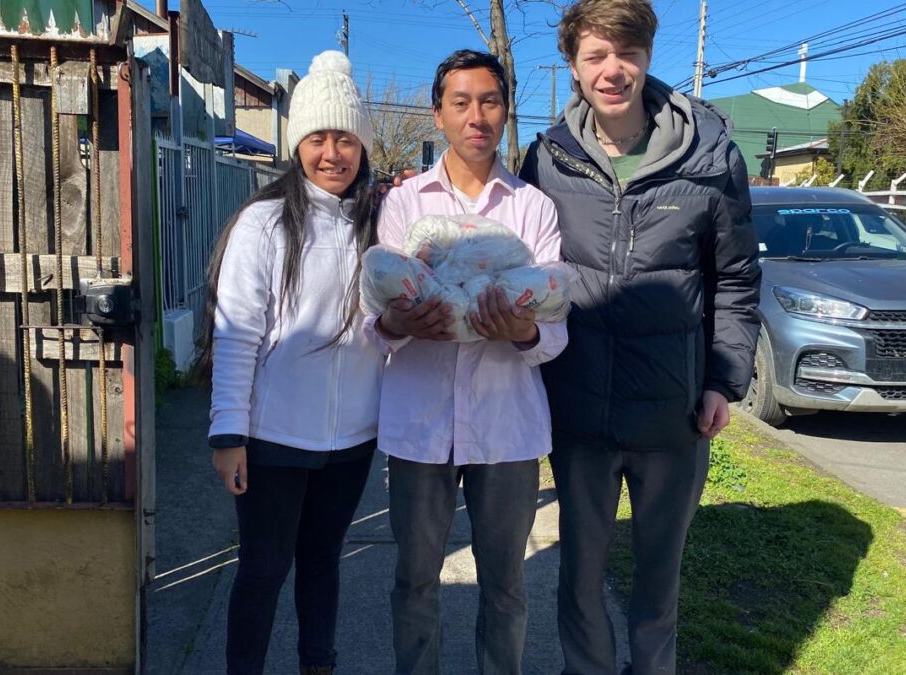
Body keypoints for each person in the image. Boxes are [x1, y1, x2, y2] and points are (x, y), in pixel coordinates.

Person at [518, 1, 762, 673]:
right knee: (581, 581)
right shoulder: (546, 160)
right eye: (596, 56)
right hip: (580, 416)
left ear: (648, 57)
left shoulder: (710, 156)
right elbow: (521, 272)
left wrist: (722, 380)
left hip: (672, 419)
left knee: (658, 588)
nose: (612, 70)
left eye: (626, 53)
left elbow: (737, 279)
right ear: (573, 65)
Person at [366, 49, 567, 675]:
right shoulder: (404, 205)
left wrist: (524, 329)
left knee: (505, 585)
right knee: (414, 579)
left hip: (506, 431)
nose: (475, 116)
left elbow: (557, 329)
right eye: (461, 102)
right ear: (438, 115)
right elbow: (376, 316)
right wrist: (397, 324)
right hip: (418, 427)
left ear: (505, 112)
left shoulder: (533, 209)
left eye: (489, 101)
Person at [202, 50, 381, 675]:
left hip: (353, 440)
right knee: (263, 568)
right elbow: (236, 334)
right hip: (272, 437)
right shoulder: (265, 222)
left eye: (346, 139)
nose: (333, 154)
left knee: (325, 560)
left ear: (362, 145)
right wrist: (228, 435)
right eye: (317, 139)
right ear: (297, 144)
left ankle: (317, 665)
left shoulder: (378, 224)